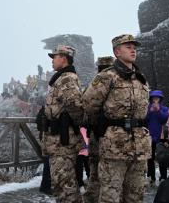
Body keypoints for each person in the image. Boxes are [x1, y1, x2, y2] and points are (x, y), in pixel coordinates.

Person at [83, 34, 151, 203]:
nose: (133, 49)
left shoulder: (141, 78)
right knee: (110, 196)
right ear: (117, 52)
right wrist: (102, 128)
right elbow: (89, 106)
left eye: (134, 47)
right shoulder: (106, 77)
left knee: (136, 195)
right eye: (128, 46)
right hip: (115, 147)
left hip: (140, 147)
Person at [41, 45, 84, 203]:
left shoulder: (66, 78)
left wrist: (69, 125)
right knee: (62, 183)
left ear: (64, 58)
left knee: (65, 185)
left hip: (63, 141)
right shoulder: (61, 77)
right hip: (58, 140)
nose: (52, 60)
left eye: (55, 57)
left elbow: (76, 106)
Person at [84, 56, 115, 203]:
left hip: (96, 134)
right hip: (112, 135)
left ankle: (92, 198)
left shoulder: (93, 85)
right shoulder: (117, 83)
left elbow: (86, 108)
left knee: (95, 171)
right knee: (110, 172)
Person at [146, 90, 169, 184]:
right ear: (151, 99)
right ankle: (151, 176)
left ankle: (163, 176)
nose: (155, 99)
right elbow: (144, 120)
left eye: (157, 97)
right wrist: (149, 112)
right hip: (149, 135)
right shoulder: (147, 108)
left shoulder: (164, 109)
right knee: (150, 157)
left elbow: (164, 120)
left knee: (161, 156)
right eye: (154, 98)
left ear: (160, 99)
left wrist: (158, 110)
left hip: (161, 135)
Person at [75, 126, 90, 194]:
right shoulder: (78, 126)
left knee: (88, 168)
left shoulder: (88, 126)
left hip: (88, 150)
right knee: (79, 169)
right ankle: (81, 185)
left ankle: (89, 182)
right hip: (80, 151)